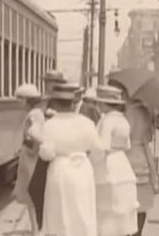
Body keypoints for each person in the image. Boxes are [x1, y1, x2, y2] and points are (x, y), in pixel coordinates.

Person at [39, 83, 104, 236]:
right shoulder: (87, 124)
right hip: (82, 171)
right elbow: (99, 151)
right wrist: (88, 162)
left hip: (59, 171)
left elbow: (46, 154)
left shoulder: (50, 125)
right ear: (74, 103)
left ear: (54, 103)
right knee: (82, 213)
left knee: (59, 215)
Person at [92, 85, 139, 236]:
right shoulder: (123, 121)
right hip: (123, 165)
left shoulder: (106, 121)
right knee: (122, 213)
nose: (98, 105)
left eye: (99, 102)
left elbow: (102, 147)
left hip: (108, 166)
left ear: (105, 103)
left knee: (107, 212)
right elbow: (127, 145)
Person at [28, 70, 67, 230]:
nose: (47, 84)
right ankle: (43, 223)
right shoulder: (48, 101)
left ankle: (46, 224)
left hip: (54, 152)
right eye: (46, 81)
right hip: (47, 151)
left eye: (50, 81)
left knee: (39, 189)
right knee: (36, 189)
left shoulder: (57, 102)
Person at [12, 84, 44, 236]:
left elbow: (36, 138)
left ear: (27, 100)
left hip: (31, 160)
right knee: (31, 197)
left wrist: (28, 148)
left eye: (20, 99)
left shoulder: (33, 116)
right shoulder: (35, 113)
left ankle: (36, 231)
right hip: (29, 158)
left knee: (31, 196)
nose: (18, 102)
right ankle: (36, 229)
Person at [125, 97, 159, 236]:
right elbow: (149, 138)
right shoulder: (146, 112)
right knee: (141, 205)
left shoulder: (128, 112)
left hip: (129, 158)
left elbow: (126, 137)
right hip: (144, 160)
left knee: (128, 203)